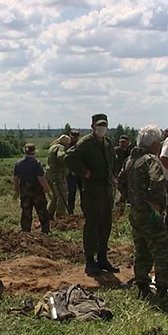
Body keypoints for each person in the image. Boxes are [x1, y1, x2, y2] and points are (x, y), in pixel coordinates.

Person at [117, 125, 168, 310]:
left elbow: (120, 182)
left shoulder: (130, 160)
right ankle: (163, 291)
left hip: (136, 213)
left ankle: (143, 286)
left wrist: (132, 198)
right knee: (162, 252)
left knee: (142, 250)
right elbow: (157, 181)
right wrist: (156, 203)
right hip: (150, 214)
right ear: (154, 144)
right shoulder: (150, 161)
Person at [65, 114, 119, 276]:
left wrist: (112, 175)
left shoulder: (108, 144)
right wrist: (84, 173)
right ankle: (90, 260)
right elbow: (69, 158)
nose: (102, 128)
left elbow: (112, 163)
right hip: (92, 192)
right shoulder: (85, 144)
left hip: (106, 191)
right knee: (92, 226)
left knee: (105, 225)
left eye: (104, 125)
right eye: (99, 125)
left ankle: (102, 258)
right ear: (93, 126)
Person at [13, 143, 51, 234]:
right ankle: (45, 230)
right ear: (34, 151)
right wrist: (47, 189)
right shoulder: (37, 163)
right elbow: (41, 178)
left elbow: (15, 178)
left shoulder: (18, 163)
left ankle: (25, 231)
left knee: (26, 210)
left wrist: (16, 190)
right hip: (36, 191)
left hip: (24, 190)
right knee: (42, 210)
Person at [46, 134, 71, 219]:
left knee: (55, 197)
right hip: (58, 175)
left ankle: (49, 215)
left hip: (49, 174)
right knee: (62, 196)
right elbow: (60, 156)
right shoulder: (60, 148)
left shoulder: (53, 147)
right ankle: (61, 217)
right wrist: (68, 159)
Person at [66, 130, 83, 212]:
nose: (74, 139)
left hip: (79, 172)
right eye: (73, 137)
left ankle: (84, 208)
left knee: (83, 191)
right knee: (71, 192)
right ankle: (70, 210)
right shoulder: (66, 146)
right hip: (70, 173)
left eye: (76, 137)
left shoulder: (80, 146)